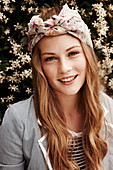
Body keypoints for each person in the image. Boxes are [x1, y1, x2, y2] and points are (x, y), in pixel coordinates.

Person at [0, 4, 113, 170]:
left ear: (87, 56)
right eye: (51, 58)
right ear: (40, 67)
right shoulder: (18, 120)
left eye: (73, 53)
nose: (64, 68)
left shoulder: (109, 109)